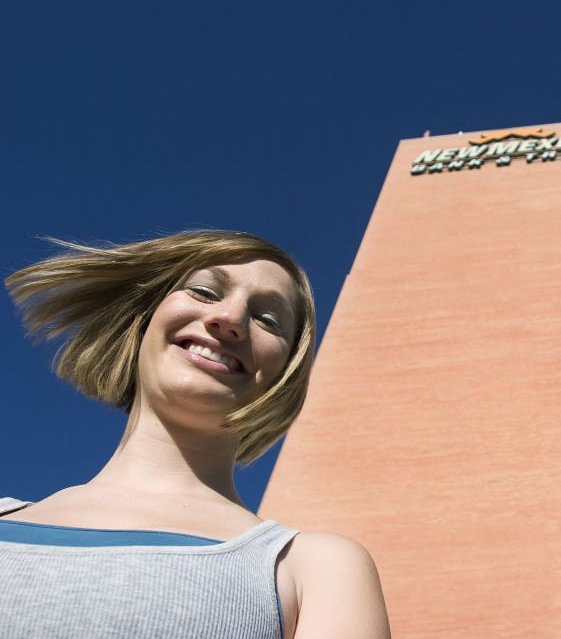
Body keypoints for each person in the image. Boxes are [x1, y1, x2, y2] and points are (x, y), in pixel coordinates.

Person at [0, 230, 390, 638]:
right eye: (205, 292)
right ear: (145, 319)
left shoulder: (312, 568)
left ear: (283, 377)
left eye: (268, 320)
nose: (231, 319)